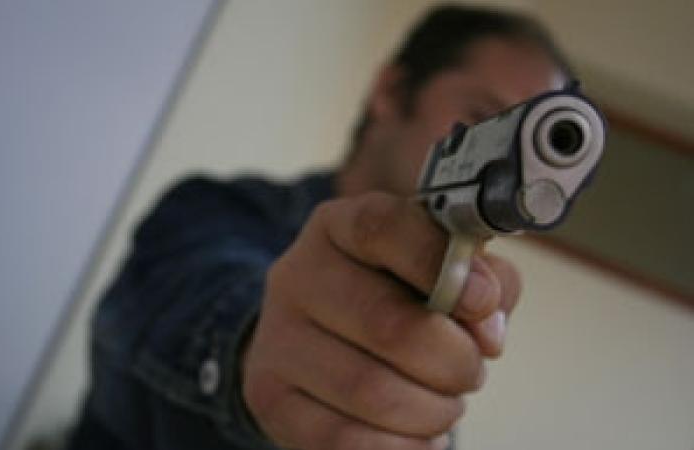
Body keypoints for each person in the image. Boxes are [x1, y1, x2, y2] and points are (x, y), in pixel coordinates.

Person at [68, 4, 572, 450]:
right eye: (482, 116)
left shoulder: (444, 320)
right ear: (391, 91)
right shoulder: (212, 210)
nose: (503, 160)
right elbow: (199, 302)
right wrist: (252, 350)